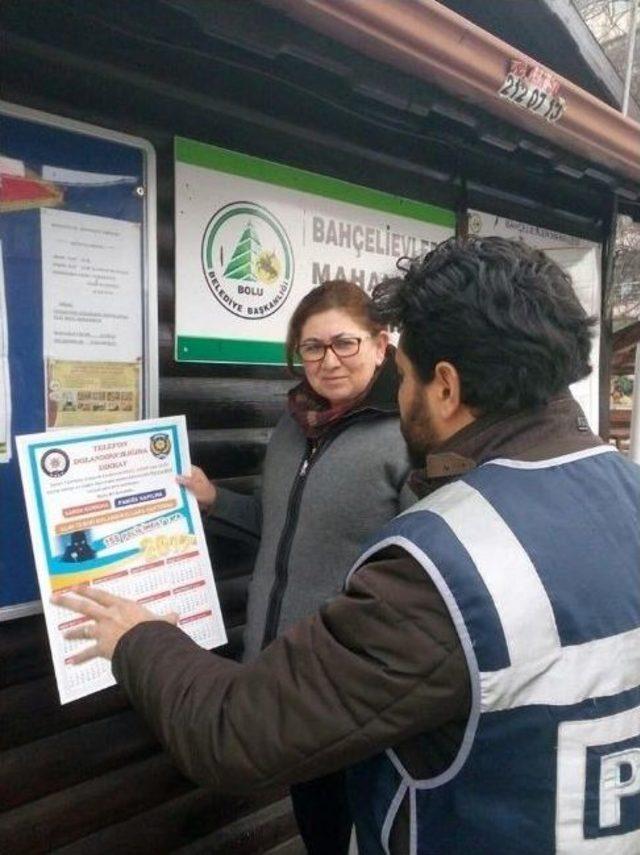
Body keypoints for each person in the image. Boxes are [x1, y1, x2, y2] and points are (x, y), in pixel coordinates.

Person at [54, 237, 640, 855]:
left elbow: (234, 733)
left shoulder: (452, 560)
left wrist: (137, 635)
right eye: (312, 347)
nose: (335, 363)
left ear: (443, 385)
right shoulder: (620, 489)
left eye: (401, 372)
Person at [177, 279, 413, 853]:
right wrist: (213, 501)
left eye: (345, 343)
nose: (328, 361)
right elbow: (278, 529)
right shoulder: (294, 428)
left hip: (358, 683)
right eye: (312, 347)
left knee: (376, 827)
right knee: (319, 823)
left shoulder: (406, 435)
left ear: (381, 345)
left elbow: (420, 570)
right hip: (286, 676)